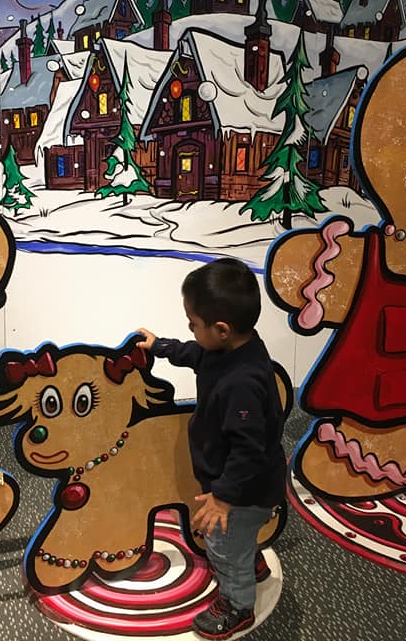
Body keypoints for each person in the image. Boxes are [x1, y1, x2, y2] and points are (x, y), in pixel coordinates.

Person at [136, 258, 286, 639]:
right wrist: (162, 346)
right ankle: (249, 563)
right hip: (238, 483)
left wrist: (223, 498)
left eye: (193, 324)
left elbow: (249, 450)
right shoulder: (232, 348)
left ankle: (238, 606)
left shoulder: (242, 382)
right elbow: (197, 354)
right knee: (236, 541)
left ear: (221, 329)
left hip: (241, 491)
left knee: (221, 545)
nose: (190, 329)